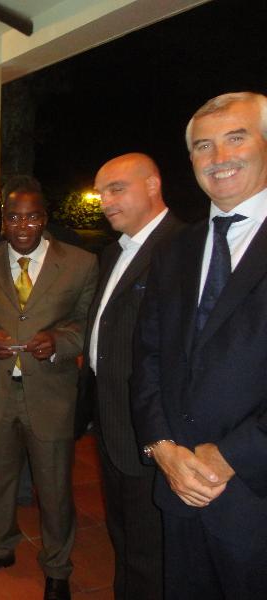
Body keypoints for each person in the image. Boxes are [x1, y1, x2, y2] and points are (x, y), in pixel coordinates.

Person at [131, 92, 267, 599]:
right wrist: (162, 447)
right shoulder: (175, 250)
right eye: (204, 146)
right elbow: (148, 357)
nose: (219, 157)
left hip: (256, 494)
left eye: (237, 138)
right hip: (179, 488)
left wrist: (231, 455)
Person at [0, 180, 97, 600]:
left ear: (45, 218)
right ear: (3, 218)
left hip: (50, 393)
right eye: (14, 217)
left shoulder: (80, 263)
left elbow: (87, 322)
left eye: (32, 217)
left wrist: (59, 341)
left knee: (54, 488)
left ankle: (57, 566)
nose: (22, 226)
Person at [74, 153, 183, 600]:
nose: (105, 201)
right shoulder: (114, 251)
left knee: (150, 546)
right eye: (101, 192)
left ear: (153, 185)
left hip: (153, 426)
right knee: (123, 533)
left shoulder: (181, 248)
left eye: (117, 189)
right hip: (112, 416)